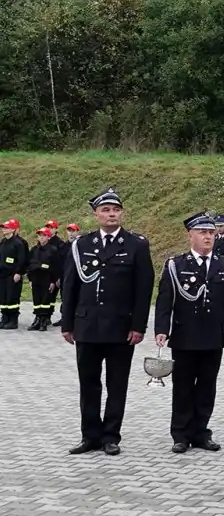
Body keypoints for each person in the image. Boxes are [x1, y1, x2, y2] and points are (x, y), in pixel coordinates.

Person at [60, 188, 154, 456]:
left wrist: (138, 326)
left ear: (121, 213)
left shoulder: (136, 244)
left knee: (117, 384)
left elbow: (143, 289)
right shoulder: (81, 245)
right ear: (96, 214)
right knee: (88, 384)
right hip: (87, 326)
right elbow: (70, 286)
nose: (111, 214)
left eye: (115, 210)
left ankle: (111, 436)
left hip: (120, 328)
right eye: (105, 210)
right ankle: (90, 435)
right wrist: (67, 323)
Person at [155, 212, 224, 454]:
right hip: (184, 337)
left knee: (207, 386)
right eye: (203, 233)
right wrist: (162, 329)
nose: (208, 237)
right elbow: (165, 300)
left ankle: (201, 432)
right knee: (182, 387)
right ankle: (181, 434)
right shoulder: (176, 265)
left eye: (211, 233)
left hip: (212, 337)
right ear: (190, 235)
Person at [26, 226, 59, 331]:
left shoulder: (53, 250)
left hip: (47, 279)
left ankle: (43, 320)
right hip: (35, 278)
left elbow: (55, 267)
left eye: (44, 235)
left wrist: (53, 281)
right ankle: (37, 319)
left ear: (48, 237)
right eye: (39, 235)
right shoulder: (34, 249)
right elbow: (29, 265)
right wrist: (30, 279)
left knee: (45, 300)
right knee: (37, 300)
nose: (41, 237)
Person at [0, 218, 28, 330]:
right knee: (3, 297)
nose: (3, 229)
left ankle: (13, 320)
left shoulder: (18, 243)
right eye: (3, 227)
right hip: (2, 274)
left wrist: (19, 272)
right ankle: (5, 317)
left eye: (6, 228)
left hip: (13, 275)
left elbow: (22, 260)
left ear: (13, 230)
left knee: (12, 297)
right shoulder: (2, 242)